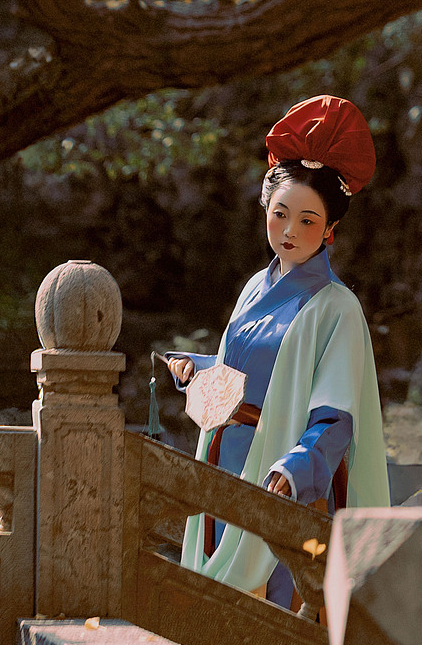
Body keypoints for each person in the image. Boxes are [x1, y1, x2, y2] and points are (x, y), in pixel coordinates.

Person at [165, 93, 390, 609]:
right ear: (265, 208)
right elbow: (241, 378)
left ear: (330, 230)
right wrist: (196, 370)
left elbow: (336, 419)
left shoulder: (339, 310)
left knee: (271, 610)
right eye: (281, 213)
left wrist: (291, 471)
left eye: (308, 221)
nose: (289, 232)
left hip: (283, 479)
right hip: (227, 463)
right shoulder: (252, 288)